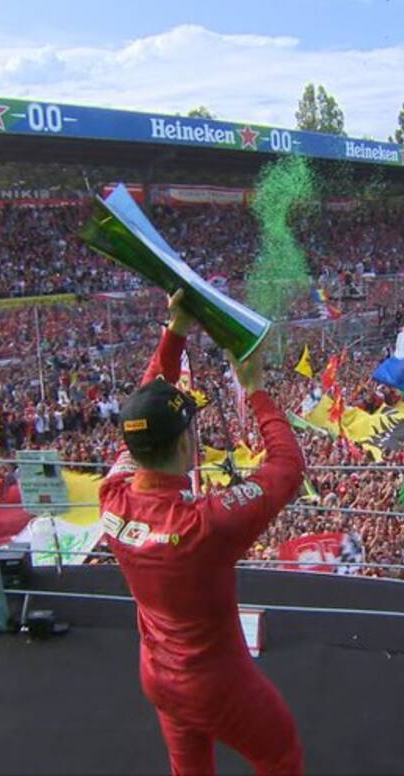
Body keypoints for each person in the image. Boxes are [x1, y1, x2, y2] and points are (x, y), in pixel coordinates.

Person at [99, 289, 306, 775]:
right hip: (216, 681)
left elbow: (145, 404)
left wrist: (176, 331)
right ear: (188, 441)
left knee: (188, 766)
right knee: (280, 753)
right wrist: (253, 387)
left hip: (157, 674)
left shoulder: (113, 495)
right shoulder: (204, 525)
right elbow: (288, 466)